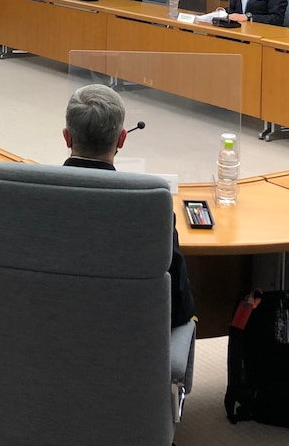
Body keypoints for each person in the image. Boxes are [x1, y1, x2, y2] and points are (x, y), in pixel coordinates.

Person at [62, 84, 195, 328]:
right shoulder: (152, 207)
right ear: (122, 139)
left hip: (42, 341)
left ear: (66, 136)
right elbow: (179, 309)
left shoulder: (29, 199)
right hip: (127, 351)